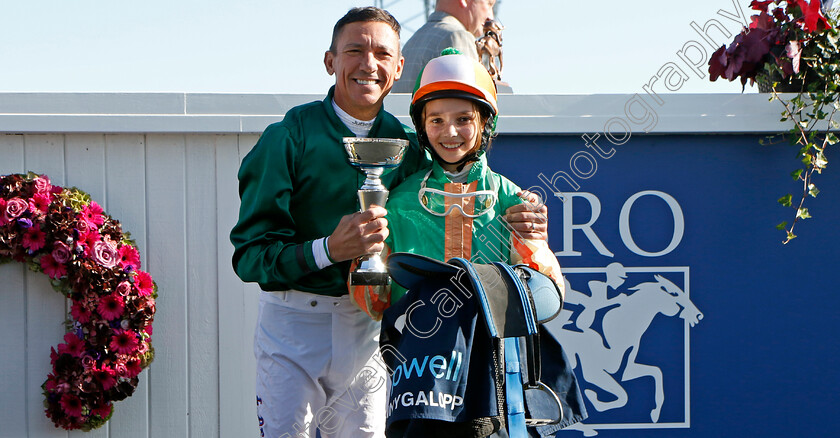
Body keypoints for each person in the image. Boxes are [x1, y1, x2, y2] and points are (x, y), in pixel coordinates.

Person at [230, 8, 548, 438]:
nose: (368, 64)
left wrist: (527, 219)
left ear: (399, 67)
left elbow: (465, 185)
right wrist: (328, 249)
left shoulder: (413, 147)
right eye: (354, 50)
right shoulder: (286, 138)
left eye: (382, 53)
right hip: (293, 324)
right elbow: (250, 258)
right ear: (330, 61)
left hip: (371, 330)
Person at [355, 51, 586, 436]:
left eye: (464, 119)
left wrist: (534, 248)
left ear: (485, 123)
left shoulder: (516, 202)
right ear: (422, 127)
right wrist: (367, 256)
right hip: (422, 367)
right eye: (437, 120)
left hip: (495, 367)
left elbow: (547, 298)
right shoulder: (397, 203)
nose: (449, 133)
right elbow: (374, 305)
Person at [391, 0, 496, 93]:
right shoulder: (457, 36)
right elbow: (467, 104)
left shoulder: (413, 41)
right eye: (489, 3)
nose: (491, 17)